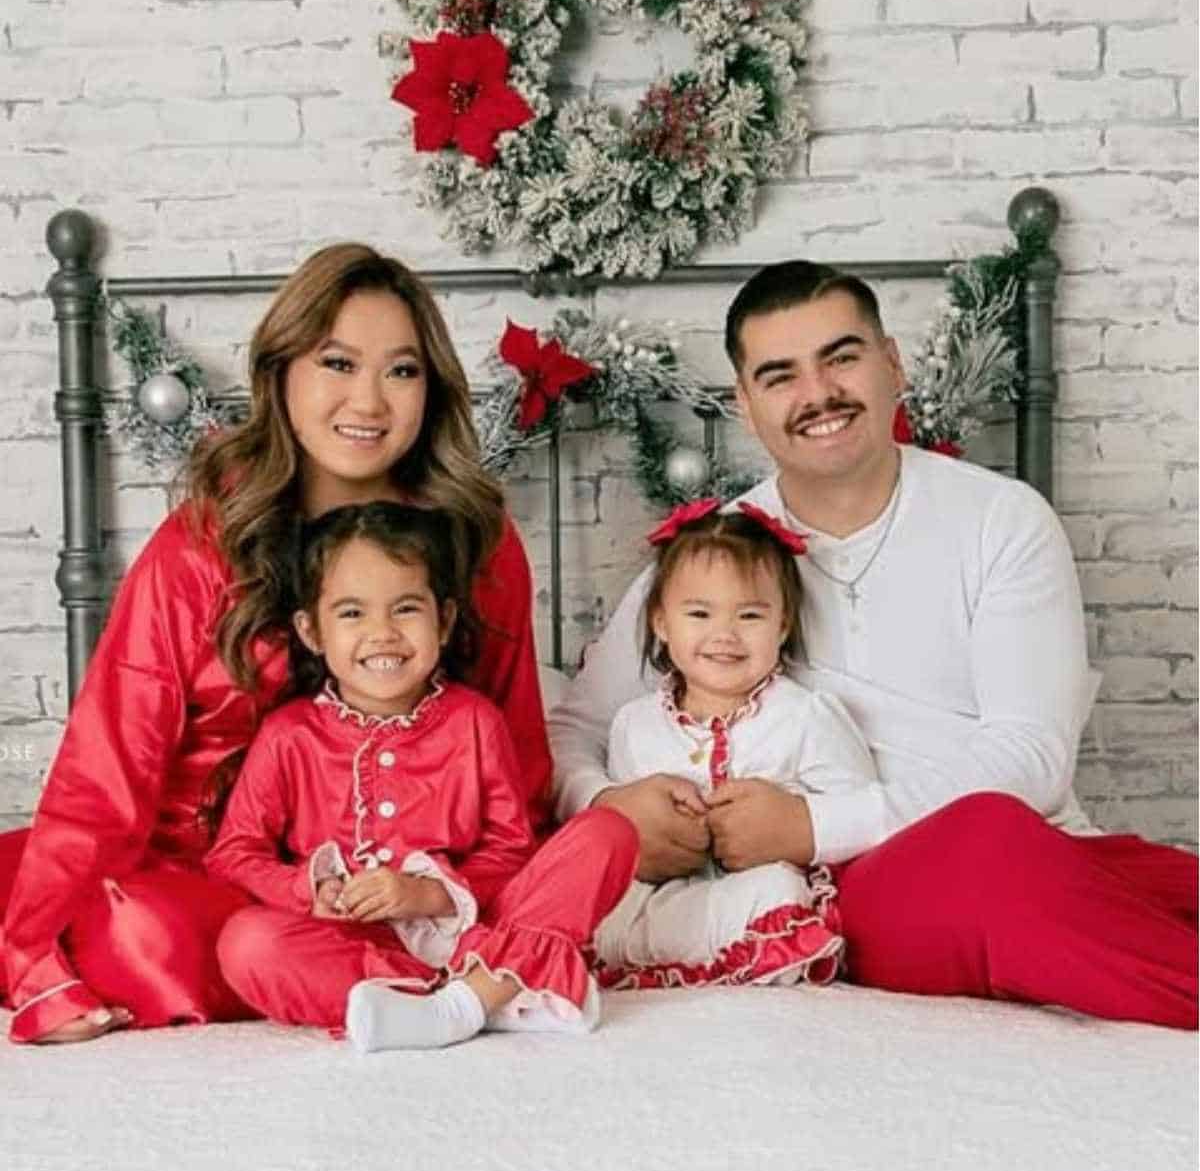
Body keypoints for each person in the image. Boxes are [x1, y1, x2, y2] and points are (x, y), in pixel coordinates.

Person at [550, 260, 1199, 1030]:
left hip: (1037, 843)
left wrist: (812, 822)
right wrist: (613, 809)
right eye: (780, 374)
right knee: (991, 854)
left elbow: (1032, 758)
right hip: (860, 889)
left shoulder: (1000, 520)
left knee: (1152, 880)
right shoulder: (711, 563)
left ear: (893, 365)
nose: (818, 394)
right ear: (748, 406)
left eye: (842, 357)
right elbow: (572, 730)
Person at [2, 244, 555, 1046]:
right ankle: (388, 982)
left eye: (402, 371)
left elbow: (518, 752)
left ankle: (444, 980)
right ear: (281, 370)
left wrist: (479, 892)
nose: (368, 399)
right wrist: (33, 962)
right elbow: (108, 763)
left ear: (431, 390)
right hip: (218, 872)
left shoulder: (477, 538)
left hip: (417, 882)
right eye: (337, 362)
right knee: (106, 913)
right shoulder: (201, 544)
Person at [207, 503, 637, 1051]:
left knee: (607, 832)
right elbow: (235, 852)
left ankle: (471, 995)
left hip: (473, 929)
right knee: (248, 945)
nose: (382, 634)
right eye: (352, 613)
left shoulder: (474, 720)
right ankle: (477, 997)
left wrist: (429, 895)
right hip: (355, 945)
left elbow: (510, 851)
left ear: (446, 620)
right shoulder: (288, 734)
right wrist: (310, 890)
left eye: (406, 608)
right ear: (311, 630)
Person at [592, 498, 876, 990]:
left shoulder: (805, 715)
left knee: (779, 892)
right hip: (665, 896)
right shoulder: (633, 725)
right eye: (699, 613)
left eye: (749, 616)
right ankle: (678, 941)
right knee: (600, 902)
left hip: (755, 888)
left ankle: (727, 942)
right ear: (662, 623)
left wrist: (790, 817)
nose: (724, 634)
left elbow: (858, 817)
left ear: (782, 625)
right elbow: (623, 841)